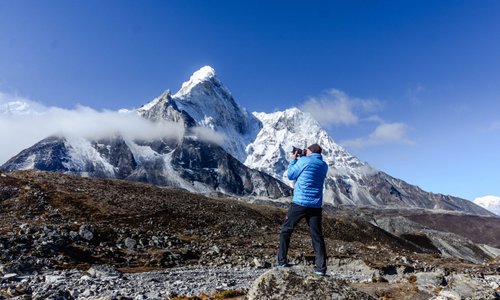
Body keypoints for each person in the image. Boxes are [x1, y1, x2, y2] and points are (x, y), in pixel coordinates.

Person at [276, 143, 329, 276]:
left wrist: (294, 159)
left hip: (300, 203)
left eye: (306, 150)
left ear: (310, 151)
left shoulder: (304, 161)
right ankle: (320, 268)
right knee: (317, 236)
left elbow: (291, 175)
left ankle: (281, 261)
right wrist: (303, 156)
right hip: (316, 205)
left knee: (286, 230)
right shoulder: (324, 165)